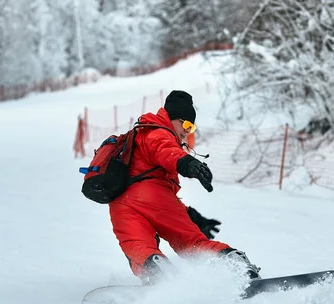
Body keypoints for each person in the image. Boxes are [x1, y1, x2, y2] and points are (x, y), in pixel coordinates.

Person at [109, 90, 261, 284]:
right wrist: (189, 164)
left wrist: (191, 215)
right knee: (192, 244)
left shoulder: (141, 135)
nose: (187, 131)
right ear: (171, 118)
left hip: (121, 206)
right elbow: (165, 151)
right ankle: (236, 267)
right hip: (153, 199)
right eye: (185, 124)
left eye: (192, 127)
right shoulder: (158, 132)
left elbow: (147, 188)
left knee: (138, 248)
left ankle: (159, 277)